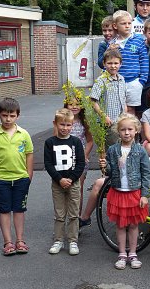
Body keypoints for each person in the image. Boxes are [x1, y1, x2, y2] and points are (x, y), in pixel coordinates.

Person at [100, 113, 150, 270]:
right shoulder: (113, 150)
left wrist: (144, 194)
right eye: (123, 130)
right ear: (118, 131)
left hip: (134, 192)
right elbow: (109, 171)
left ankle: (133, 253)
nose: (127, 133)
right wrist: (104, 166)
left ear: (136, 130)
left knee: (134, 225)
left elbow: (146, 173)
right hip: (118, 192)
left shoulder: (140, 151)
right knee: (121, 225)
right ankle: (122, 253)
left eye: (130, 129)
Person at [0, 98, 34, 256]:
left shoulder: (24, 134)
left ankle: (20, 240)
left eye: (12, 116)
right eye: (5, 115)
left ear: (18, 116)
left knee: (19, 210)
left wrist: (28, 176)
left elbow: (29, 155)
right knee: (4, 210)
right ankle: (8, 242)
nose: (8, 119)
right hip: (1, 180)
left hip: (21, 178)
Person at [44, 108, 85, 256]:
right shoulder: (50, 142)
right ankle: (58, 240)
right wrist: (59, 179)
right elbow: (48, 164)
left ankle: (73, 240)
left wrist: (72, 179)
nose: (65, 128)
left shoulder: (76, 142)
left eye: (68, 125)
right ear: (55, 124)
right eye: (62, 125)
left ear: (72, 125)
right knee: (59, 214)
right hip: (57, 183)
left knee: (74, 213)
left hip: (73, 183)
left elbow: (81, 163)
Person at [111, 10, 149, 115]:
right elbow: (108, 63)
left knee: (131, 110)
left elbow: (144, 60)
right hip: (116, 81)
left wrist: (142, 81)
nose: (127, 26)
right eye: (123, 23)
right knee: (117, 109)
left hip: (134, 82)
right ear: (115, 25)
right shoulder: (112, 43)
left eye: (129, 23)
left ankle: (132, 131)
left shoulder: (138, 40)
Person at [90, 49, 127, 148]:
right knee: (110, 148)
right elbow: (93, 101)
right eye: (110, 63)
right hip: (108, 122)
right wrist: (103, 116)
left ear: (120, 64)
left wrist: (125, 116)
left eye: (116, 63)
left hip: (120, 121)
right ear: (104, 64)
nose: (113, 66)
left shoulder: (122, 79)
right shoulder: (101, 80)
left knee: (121, 147)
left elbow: (123, 100)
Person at [63, 95, 93, 216]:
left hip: (80, 161)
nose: (74, 107)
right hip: (65, 160)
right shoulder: (63, 121)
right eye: (71, 104)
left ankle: (76, 219)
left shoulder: (84, 121)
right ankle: (64, 217)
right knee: (64, 189)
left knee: (77, 190)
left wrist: (84, 154)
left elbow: (90, 141)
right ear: (66, 105)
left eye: (77, 104)